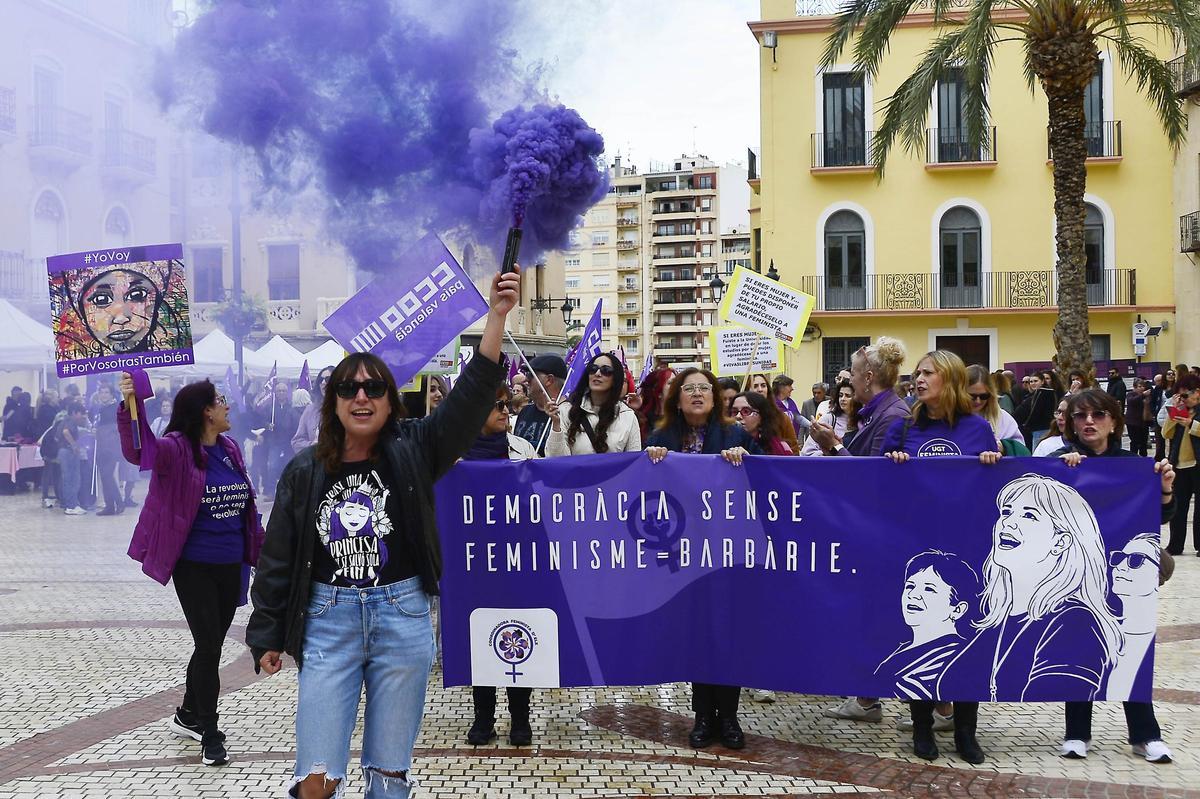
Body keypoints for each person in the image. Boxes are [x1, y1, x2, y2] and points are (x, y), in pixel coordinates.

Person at [247, 267, 519, 799]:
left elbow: (468, 402)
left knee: (389, 777)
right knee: (317, 779)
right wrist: (267, 634)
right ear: (333, 402)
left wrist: (496, 317)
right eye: (348, 388)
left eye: (374, 387)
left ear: (391, 400)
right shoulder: (305, 470)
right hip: (328, 623)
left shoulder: (416, 449)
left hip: (402, 618)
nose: (361, 396)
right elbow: (276, 558)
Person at [117, 374, 264, 767]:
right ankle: (210, 733)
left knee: (208, 645)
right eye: (220, 400)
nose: (227, 405)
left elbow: (246, 507)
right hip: (194, 564)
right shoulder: (176, 449)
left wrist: (262, 550)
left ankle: (186, 713)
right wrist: (133, 402)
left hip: (231, 563)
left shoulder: (230, 449)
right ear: (205, 412)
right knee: (210, 645)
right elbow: (140, 451)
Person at [881, 349, 1001, 765]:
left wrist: (992, 464)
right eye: (917, 373)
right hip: (917, 543)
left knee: (968, 635)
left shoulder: (977, 429)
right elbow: (877, 485)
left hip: (967, 547)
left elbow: (994, 490)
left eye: (927, 373)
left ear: (949, 379)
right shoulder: (903, 428)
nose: (918, 379)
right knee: (922, 633)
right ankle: (922, 726)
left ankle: (966, 731)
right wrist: (892, 464)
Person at [645, 368, 760, 750]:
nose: (697, 394)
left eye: (704, 388)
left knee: (727, 633)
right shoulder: (661, 438)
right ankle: (702, 716)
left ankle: (729, 716)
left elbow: (769, 479)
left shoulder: (735, 435)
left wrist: (748, 459)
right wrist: (651, 461)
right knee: (698, 634)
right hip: (682, 557)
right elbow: (643, 492)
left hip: (727, 553)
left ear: (715, 398)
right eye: (689, 388)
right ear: (677, 399)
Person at [464, 385, 537, 748]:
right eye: (497, 405)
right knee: (480, 637)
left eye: (507, 404)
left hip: (518, 559)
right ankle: (484, 717)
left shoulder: (522, 448)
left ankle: (520, 717)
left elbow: (549, 486)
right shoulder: (454, 454)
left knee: (519, 633)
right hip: (473, 562)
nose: (505, 410)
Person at [1060, 535, 1175, 763]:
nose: (1121, 566)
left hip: (1125, 531)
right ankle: (1077, 733)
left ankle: (1146, 735)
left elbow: (1161, 516)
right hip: (1094, 569)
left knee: (1135, 668)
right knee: (1083, 654)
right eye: (1119, 559)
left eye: (1135, 560)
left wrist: (1163, 503)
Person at [874, 551, 980, 701]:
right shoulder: (902, 649)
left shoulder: (950, 660)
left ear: (957, 609)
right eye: (910, 586)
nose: (913, 595)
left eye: (929, 589)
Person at [810, 337, 909, 458]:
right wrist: (834, 448)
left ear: (868, 378)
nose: (850, 381)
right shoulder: (877, 411)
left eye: (852, 374)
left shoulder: (892, 415)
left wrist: (834, 445)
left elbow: (872, 469)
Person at [546, 352, 641, 456]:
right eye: (593, 369)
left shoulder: (627, 416)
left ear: (616, 378)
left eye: (606, 370)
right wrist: (556, 426)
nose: (597, 373)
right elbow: (556, 460)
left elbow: (634, 460)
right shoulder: (566, 410)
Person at [1160, 373, 1200, 555]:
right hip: (1179, 464)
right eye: (1179, 395)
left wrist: (1191, 424)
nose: (1183, 399)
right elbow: (1165, 434)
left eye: (1185, 395)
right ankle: (1175, 545)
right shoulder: (1179, 410)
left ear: (1197, 392)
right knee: (1179, 506)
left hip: (1197, 464)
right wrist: (1173, 413)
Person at [513, 354, 565, 457]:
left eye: (530, 375)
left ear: (549, 380)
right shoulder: (525, 411)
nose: (525, 380)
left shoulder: (571, 414)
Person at [965, 365, 1024, 452]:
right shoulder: (949, 416)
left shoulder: (1003, 418)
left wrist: (1003, 447)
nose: (978, 401)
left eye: (984, 396)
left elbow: (1021, 450)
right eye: (972, 396)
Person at [255, 379, 298, 500]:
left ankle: (289, 492)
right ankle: (270, 492)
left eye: (283, 391)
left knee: (289, 467)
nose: (281, 393)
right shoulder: (270, 407)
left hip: (288, 442)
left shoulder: (292, 406)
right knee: (272, 466)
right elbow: (262, 421)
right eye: (279, 391)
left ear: (287, 392)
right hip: (275, 441)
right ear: (275, 392)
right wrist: (268, 425)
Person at [800, 380, 858, 456]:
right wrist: (829, 453)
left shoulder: (864, 420)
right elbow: (807, 452)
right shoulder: (828, 419)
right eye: (840, 395)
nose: (843, 399)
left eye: (848, 396)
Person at [92, 384, 125, 515]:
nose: (104, 395)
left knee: (107, 475)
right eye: (102, 392)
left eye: (106, 392)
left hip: (111, 447)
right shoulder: (100, 409)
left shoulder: (116, 408)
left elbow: (118, 428)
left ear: (111, 394)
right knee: (104, 477)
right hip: (101, 446)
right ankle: (109, 506)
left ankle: (119, 502)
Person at [730, 391, 795, 456]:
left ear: (761, 416)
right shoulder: (725, 441)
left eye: (746, 411)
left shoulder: (780, 448)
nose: (738, 416)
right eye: (734, 412)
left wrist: (749, 458)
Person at [56, 402, 90, 516]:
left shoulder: (63, 420)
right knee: (73, 479)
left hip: (63, 451)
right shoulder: (70, 421)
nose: (82, 416)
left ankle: (69, 504)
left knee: (67, 479)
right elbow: (66, 432)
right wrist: (74, 445)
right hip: (68, 452)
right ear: (75, 412)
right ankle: (71, 506)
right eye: (81, 413)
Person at [293, 367, 334, 453]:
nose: (323, 383)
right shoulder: (310, 410)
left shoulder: (347, 409)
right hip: (317, 459)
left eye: (327, 379)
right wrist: (311, 445)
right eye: (320, 380)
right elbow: (296, 442)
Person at [1014, 371, 1059, 448]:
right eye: (1031, 381)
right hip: (1038, 429)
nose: (1033, 383)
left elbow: (1035, 412)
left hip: (1040, 429)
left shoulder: (1042, 393)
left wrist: (1027, 425)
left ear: (1042, 381)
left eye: (1035, 381)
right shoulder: (1034, 395)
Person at [1125, 378, 1151, 457]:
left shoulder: (1146, 396)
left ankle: (1144, 458)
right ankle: (1133, 458)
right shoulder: (1131, 394)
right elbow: (1132, 401)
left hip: (1143, 422)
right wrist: (1143, 395)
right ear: (1134, 387)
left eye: (1143, 386)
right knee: (1134, 442)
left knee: (1143, 443)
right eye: (1140, 386)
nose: (1142, 388)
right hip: (1132, 423)